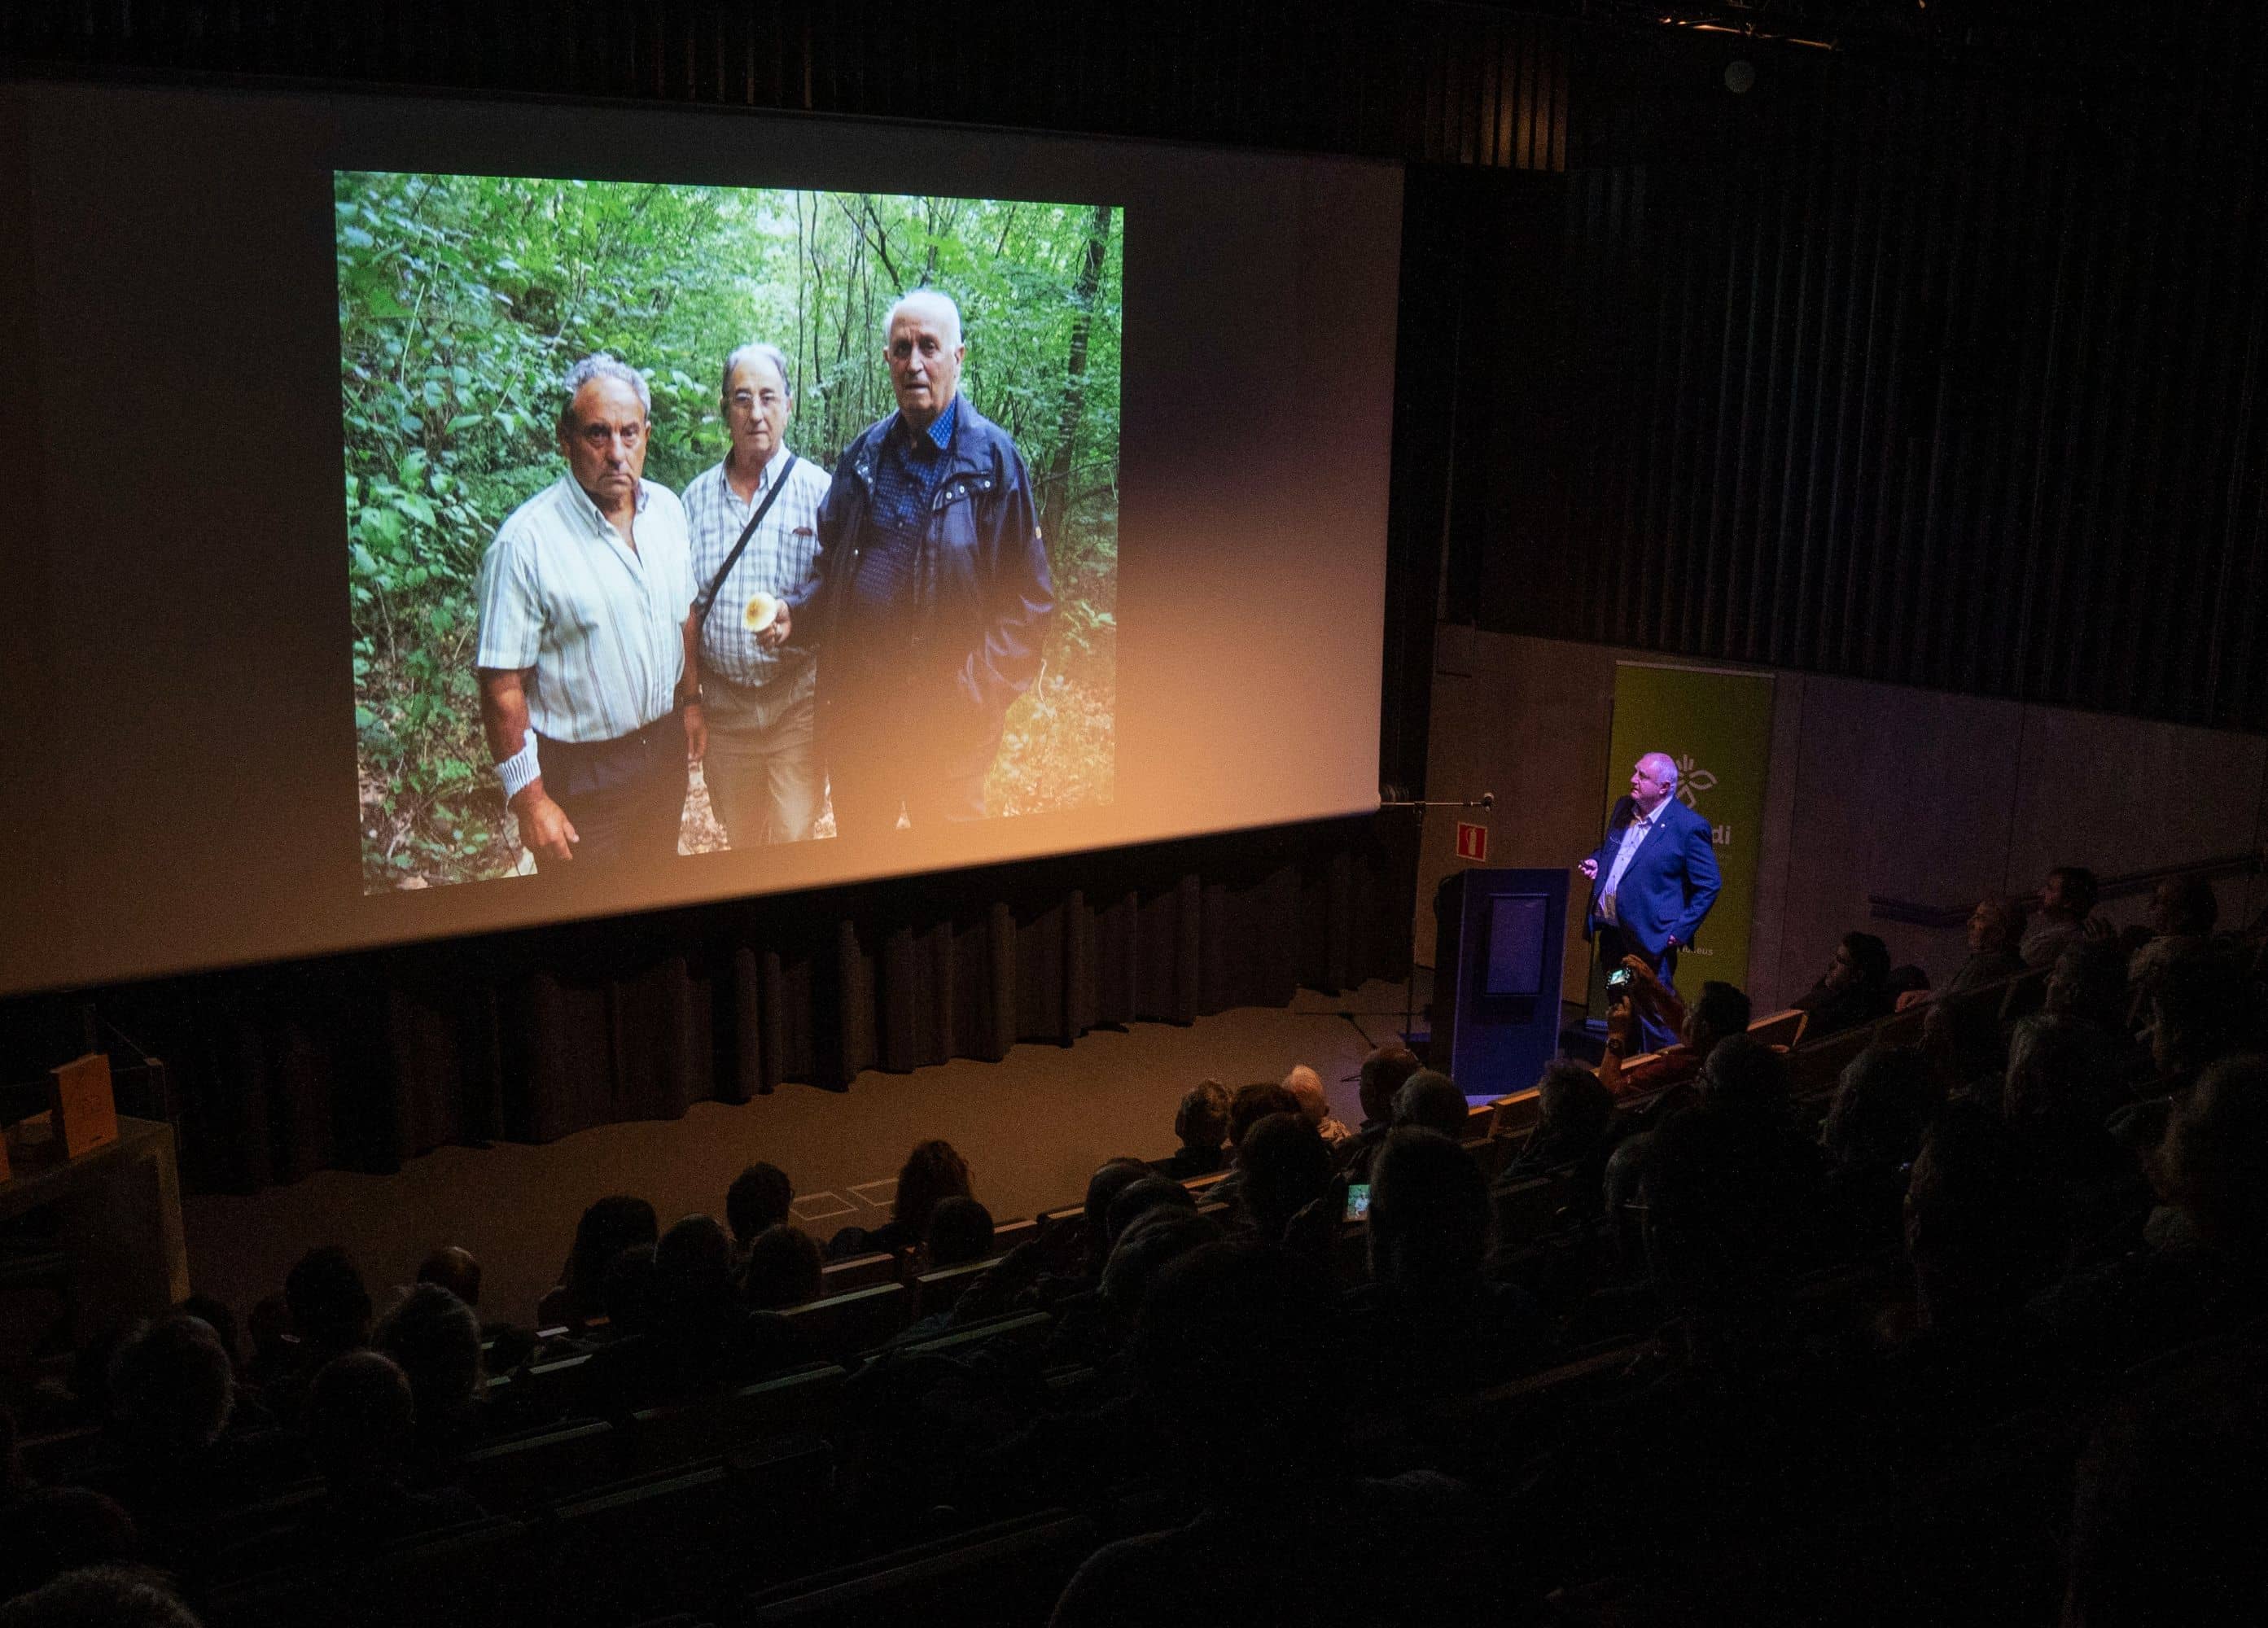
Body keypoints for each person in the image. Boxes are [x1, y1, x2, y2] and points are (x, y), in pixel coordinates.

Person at [812, 291, 1055, 834]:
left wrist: (969, 695)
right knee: (863, 874)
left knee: (951, 885)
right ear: (886, 360)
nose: (914, 363)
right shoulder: (864, 455)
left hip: (949, 738)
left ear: (958, 357)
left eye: (929, 347)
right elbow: (831, 569)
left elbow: (1032, 603)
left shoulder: (995, 461)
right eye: (901, 349)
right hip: (865, 729)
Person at [475, 354, 702, 871]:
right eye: (598, 434)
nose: (617, 452)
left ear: (647, 434)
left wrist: (691, 701)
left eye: (629, 433)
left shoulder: (668, 510)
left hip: (662, 750)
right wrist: (530, 799)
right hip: (581, 773)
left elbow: (685, 614)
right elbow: (501, 684)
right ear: (566, 439)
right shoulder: (525, 544)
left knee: (657, 888)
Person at [682, 343, 833, 846]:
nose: (756, 412)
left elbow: (838, 592)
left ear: (789, 404)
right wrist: (691, 700)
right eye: (742, 399)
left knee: (792, 835)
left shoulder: (820, 491)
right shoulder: (695, 500)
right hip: (725, 709)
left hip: (797, 702)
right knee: (744, 839)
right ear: (725, 408)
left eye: (769, 397)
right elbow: (687, 609)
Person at [1578, 752, 1722, 1050]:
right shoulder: (1623, 808)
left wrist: (1680, 930)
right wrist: (1597, 861)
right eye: (1635, 772)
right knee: (1620, 1002)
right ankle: (1624, 1071)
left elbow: (1710, 883)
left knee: (1655, 1015)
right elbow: (1610, 851)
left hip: (1649, 943)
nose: (1633, 779)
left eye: (1642, 776)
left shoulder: (1688, 826)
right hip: (1613, 939)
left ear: (1664, 787)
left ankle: (1663, 1076)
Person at [2021, 864, 2100, 968]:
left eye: (2050, 889)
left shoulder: (2057, 941)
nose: (2041, 893)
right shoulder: (2071, 934)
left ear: (2068, 901)